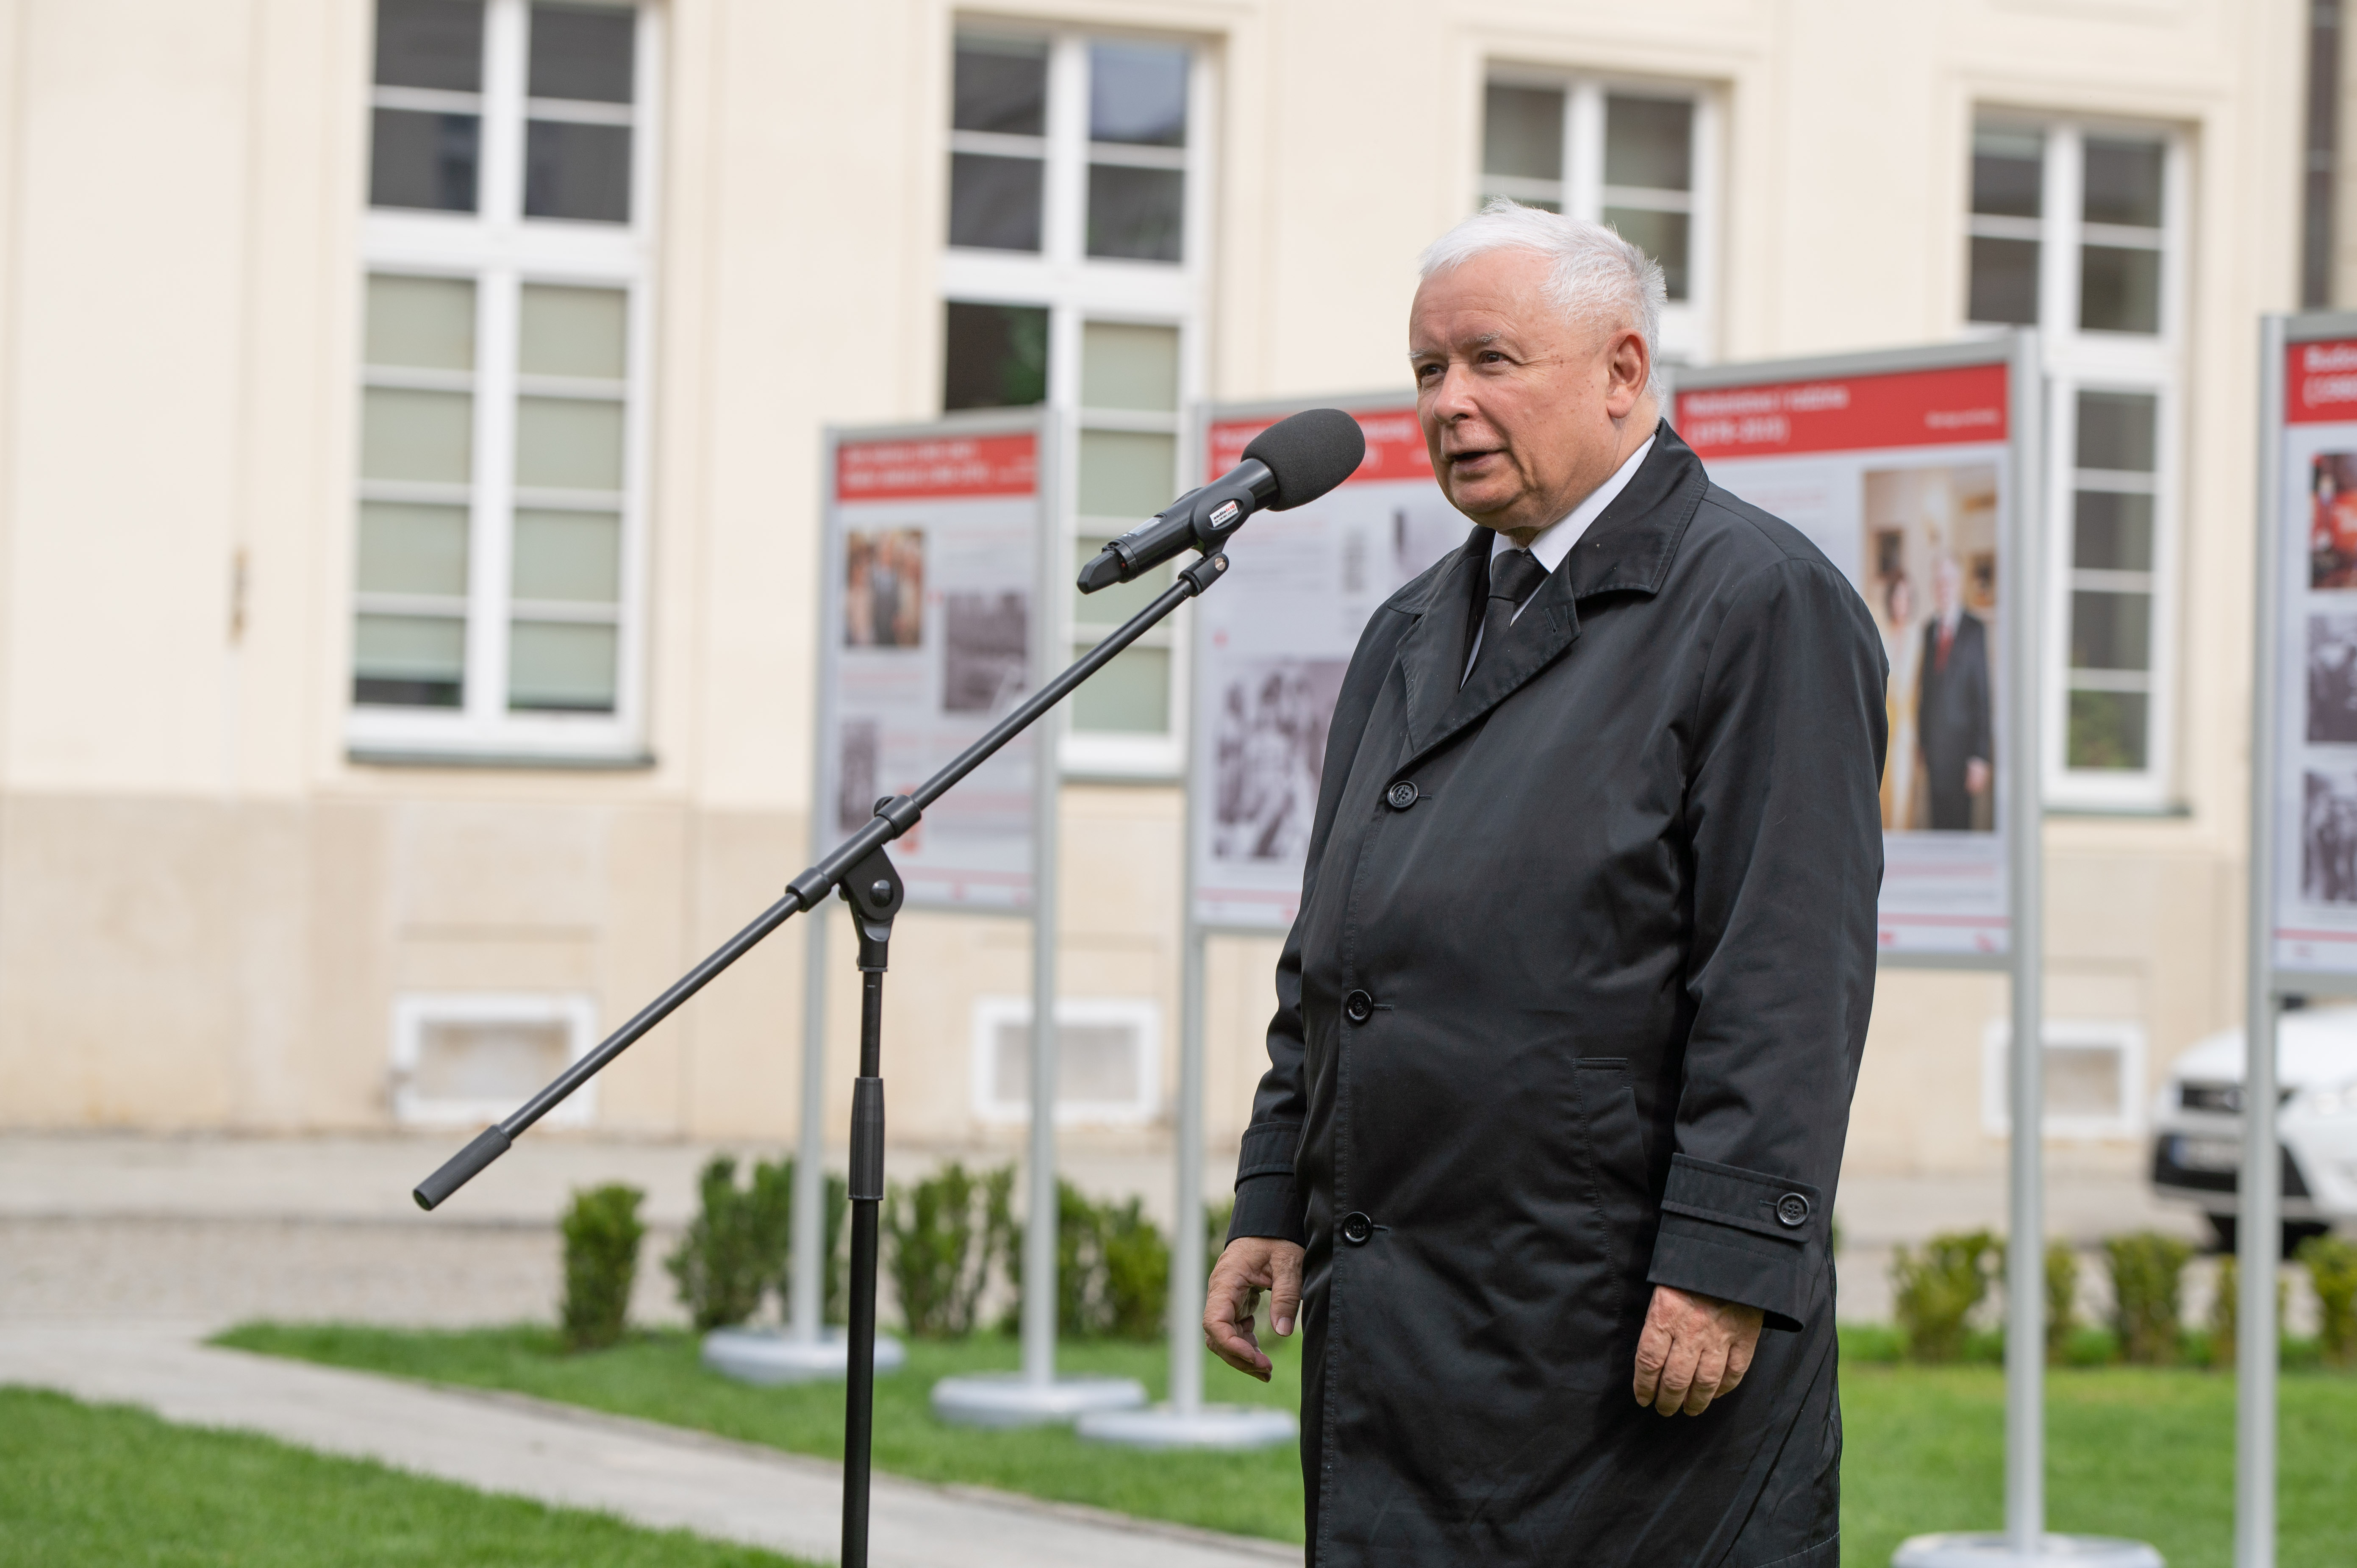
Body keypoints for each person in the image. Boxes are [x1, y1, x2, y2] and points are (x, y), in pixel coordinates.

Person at [1201, 200, 1885, 1565]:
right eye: (1426, 371)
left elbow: (1784, 970)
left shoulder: (1757, 602)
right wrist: (1275, 1193)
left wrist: (1725, 1263)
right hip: (1409, 1319)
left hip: (1616, 1331)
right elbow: (1336, 951)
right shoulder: (1412, 628)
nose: (1448, 403)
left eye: (1490, 361)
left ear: (1624, 371)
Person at [1915, 553, 1992, 832]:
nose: (1942, 587)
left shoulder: (1975, 630)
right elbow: (1924, 693)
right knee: (1937, 829)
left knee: (1960, 832)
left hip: (1963, 756)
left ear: (1958, 584)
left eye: (1947, 580)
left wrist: (1980, 757)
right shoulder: (1927, 631)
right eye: (1938, 581)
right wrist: (1921, 743)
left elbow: (1982, 697)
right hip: (1934, 754)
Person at [1881, 573, 1922, 829]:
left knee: (1905, 795)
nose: (1901, 602)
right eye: (1897, 595)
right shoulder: (1880, 634)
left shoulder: (1918, 637)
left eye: (1906, 597)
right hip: (1885, 726)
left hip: (1908, 731)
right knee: (1883, 793)